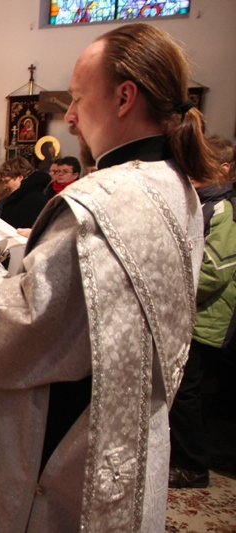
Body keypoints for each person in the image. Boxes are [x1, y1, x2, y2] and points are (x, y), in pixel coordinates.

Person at [0, 23, 221, 532]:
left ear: (124, 98)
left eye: (77, 98)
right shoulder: (178, 189)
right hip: (128, 436)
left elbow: (21, 332)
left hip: (60, 441)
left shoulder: (99, 206)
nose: (68, 117)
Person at [168, 135, 236, 489]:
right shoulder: (202, 204)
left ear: (223, 170)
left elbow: (213, 272)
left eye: (200, 163)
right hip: (188, 313)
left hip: (205, 317)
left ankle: (194, 466)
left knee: (185, 392)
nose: (190, 170)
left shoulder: (224, 210)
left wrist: (168, 291)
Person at [0, 155, 51, 229]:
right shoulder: (22, 197)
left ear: (20, 177)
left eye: (6, 182)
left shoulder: (33, 200)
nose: (5, 187)